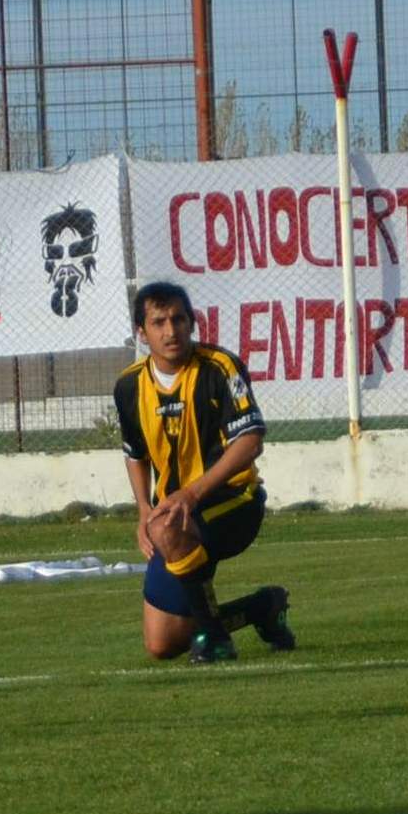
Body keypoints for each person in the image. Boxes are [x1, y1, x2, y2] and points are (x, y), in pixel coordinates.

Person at [114, 280, 295, 665]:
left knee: (167, 528)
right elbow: (135, 452)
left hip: (235, 503)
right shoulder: (129, 385)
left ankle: (215, 640)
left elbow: (251, 442)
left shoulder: (219, 367)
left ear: (192, 323)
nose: (170, 330)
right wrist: (144, 511)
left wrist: (190, 495)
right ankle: (261, 607)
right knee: (162, 644)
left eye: (179, 319)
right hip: (172, 516)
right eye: (159, 322)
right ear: (141, 333)